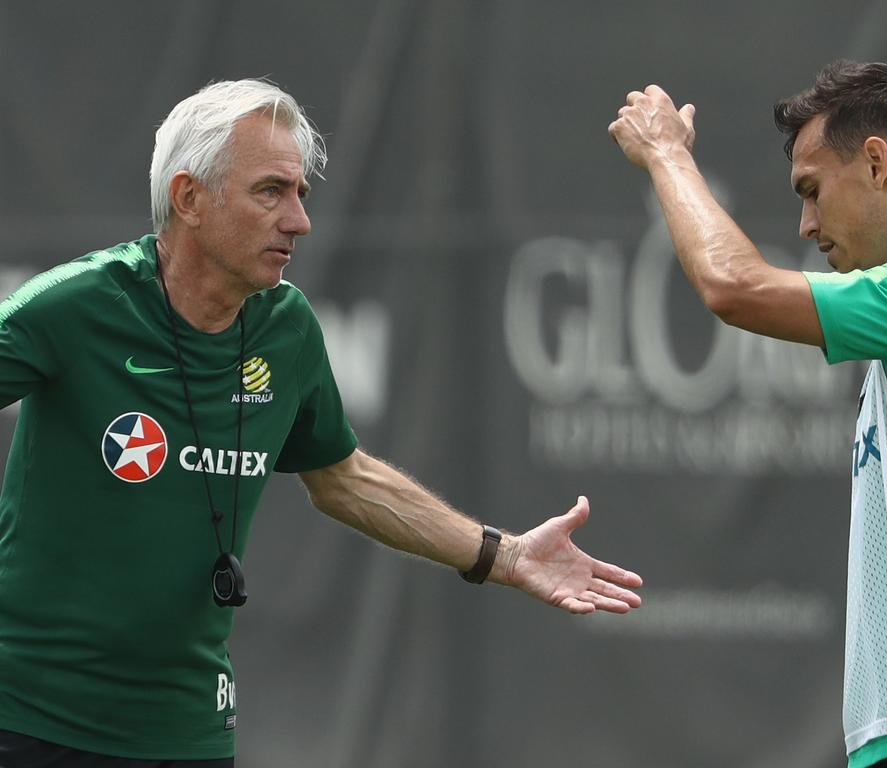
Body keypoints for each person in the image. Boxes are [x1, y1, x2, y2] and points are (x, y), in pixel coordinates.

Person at [0, 79, 643, 767]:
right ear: (189, 198)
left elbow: (344, 479)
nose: (300, 220)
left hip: (186, 727)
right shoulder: (72, 308)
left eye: (301, 193)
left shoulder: (286, 327)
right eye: (270, 191)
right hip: (34, 720)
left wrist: (504, 555)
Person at [609, 61, 887, 767]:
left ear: (874, 162)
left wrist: (666, 154)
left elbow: (732, 285)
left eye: (811, 191)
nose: (805, 225)